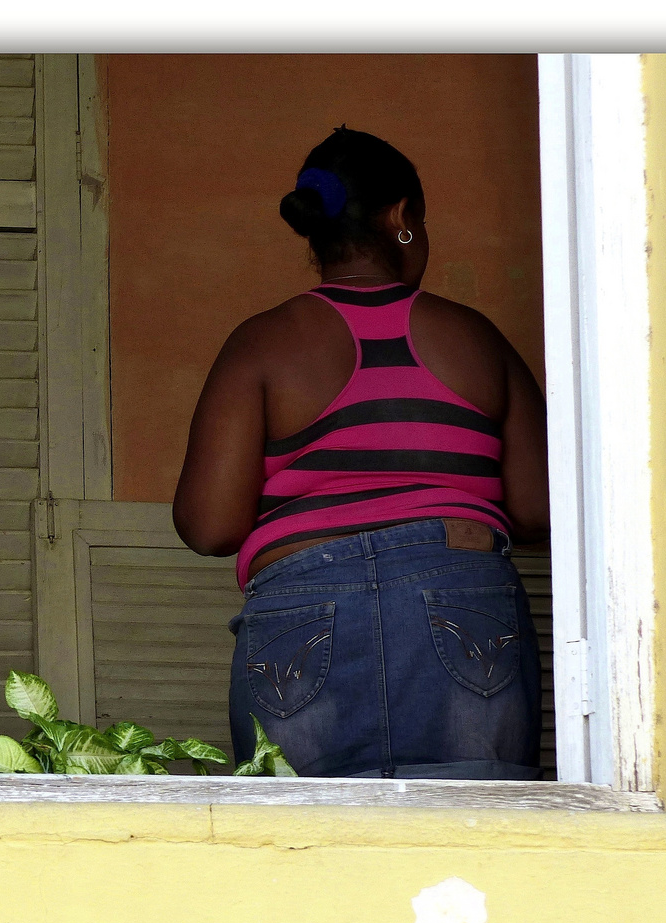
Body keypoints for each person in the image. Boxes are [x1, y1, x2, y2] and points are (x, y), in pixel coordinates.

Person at [172, 126, 550, 779]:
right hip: (464, 598)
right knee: (470, 847)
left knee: (305, 855)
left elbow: (209, 526)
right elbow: (541, 511)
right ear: (403, 218)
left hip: (300, 612)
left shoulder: (262, 344)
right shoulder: (475, 340)